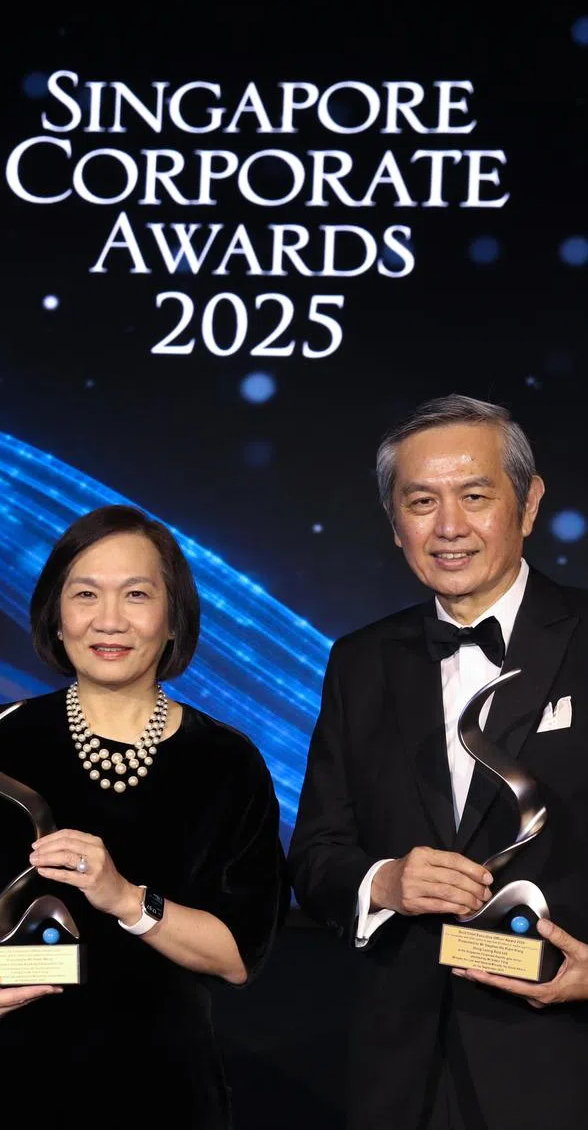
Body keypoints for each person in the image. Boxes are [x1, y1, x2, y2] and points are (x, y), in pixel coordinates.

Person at [0, 504, 288, 1128]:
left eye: (136, 595)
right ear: (56, 617)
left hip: (161, 1090)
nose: (109, 620)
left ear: (172, 619)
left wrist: (126, 898)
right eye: (85, 594)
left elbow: (236, 955)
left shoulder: (225, 762)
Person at [288, 394, 588, 1130]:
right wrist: (384, 881)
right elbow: (317, 854)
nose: (449, 527)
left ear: (529, 503)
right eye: (421, 501)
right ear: (395, 524)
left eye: (475, 496)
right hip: (402, 1074)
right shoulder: (360, 661)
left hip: (568, 1061)